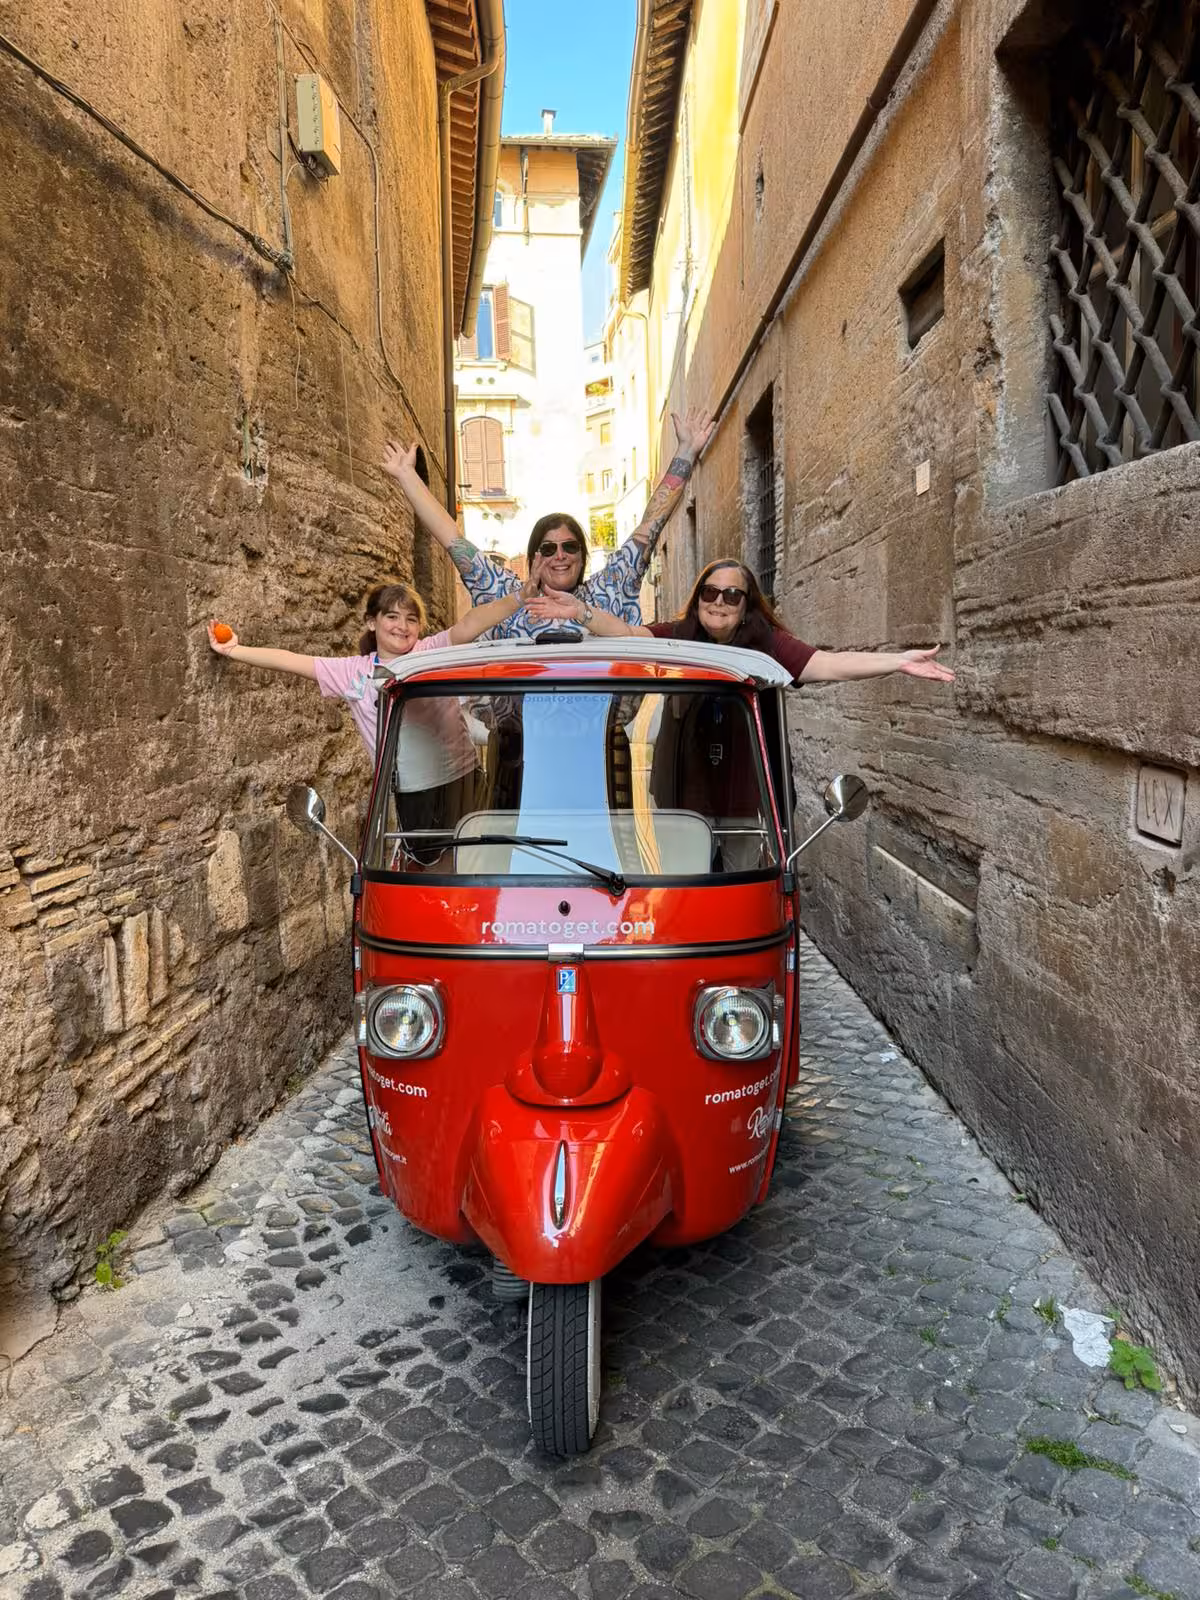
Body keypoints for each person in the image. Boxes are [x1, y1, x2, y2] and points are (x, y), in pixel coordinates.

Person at [207, 581, 528, 861]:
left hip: (463, 775)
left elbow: (469, 625)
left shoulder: (430, 652)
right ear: (372, 623)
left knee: (481, 859)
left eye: (411, 619)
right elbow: (293, 662)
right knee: (434, 866)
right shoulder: (353, 672)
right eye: (392, 616)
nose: (402, 626)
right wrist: (235, 650)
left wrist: (520, 596)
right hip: (414, 790)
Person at [379, 410, 716, 640]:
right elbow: (452, 539)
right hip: (519, 742)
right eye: (548, 548)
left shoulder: (607, 589)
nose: (560, 556)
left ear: (583, 557)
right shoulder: (505, 593)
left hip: (601, 742)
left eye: (570, 547)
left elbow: (650, 526)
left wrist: (686, 452)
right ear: (533, 557)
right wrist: (407, 476)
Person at [524, 558, 956, 688]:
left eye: (732, 595)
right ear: (698, 600)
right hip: (687, 783)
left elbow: (829, 664)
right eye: (710, 593)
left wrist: (898, 661)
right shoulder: (682, 635)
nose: (719, 602)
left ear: (746, 605)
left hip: (747, 789)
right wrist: (577, 611)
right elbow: (629, 634)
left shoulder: (765, 644)